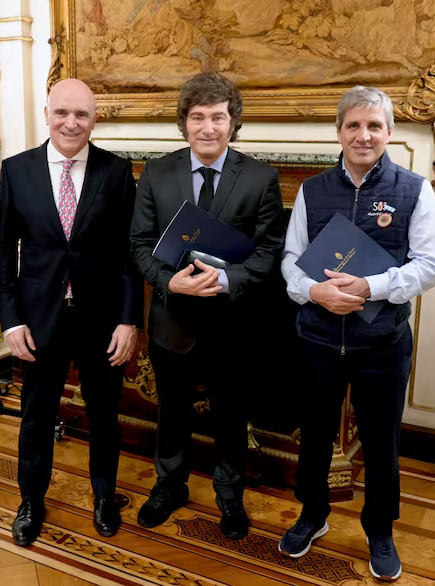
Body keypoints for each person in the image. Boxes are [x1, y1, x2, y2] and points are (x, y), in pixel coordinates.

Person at [279, 86, 435, 581]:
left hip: (382, 346)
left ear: (389, 133)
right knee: (314, 437)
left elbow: (430, 267)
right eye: (353, 125)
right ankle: (313, 516)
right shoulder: (312, 189)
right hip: (318, 341)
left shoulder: (414, 190)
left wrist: (372, 286)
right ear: (339, 132)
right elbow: (290, 261)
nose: (363, 134)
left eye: (374, 125)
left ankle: (380, 531)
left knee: (381, 441)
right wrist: (315, 294)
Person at [130, 71, 285, 540]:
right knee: (170, 413)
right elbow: (138, 244)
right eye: (198, 117)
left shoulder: (260, 177)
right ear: (185, 123)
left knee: (230, 418)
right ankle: (169, 485)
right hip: (171, 320)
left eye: (218, 117)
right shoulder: (157, 173)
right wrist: (168, 282)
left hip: (232, 325)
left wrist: (227, 279)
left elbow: (268, 252)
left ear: (232, 122)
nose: (208, 127)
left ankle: (229, 496)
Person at [0, 78, 143, 546]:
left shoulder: (117, 173)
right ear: (47, 114)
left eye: (82, 114)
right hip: (39, 321)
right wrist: (12, 320)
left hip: (101, 321)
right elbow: (3, 255)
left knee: (104, 414)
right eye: (63, 113)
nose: (71, 123)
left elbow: (128, 255)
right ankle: (31, 500)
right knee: (36, 415)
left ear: (94, 119)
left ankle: (103, 496)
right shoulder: (16, 171)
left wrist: (128, 319)